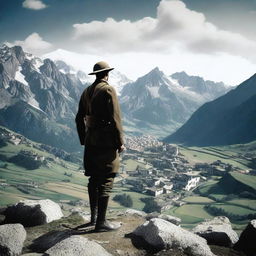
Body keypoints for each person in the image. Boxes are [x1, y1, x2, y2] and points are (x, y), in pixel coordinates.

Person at [75, 61, 124, 232]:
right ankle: (101, 223)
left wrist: (84, 139)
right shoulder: (108, 90)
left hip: (91, 141)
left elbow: (78, 118)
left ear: (95, 74)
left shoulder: (86, 91)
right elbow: (116, 118)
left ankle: (93, 219)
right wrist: (120, 142)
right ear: (107, 74)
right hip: (105, 142)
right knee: (107, 178)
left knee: (93, 179)